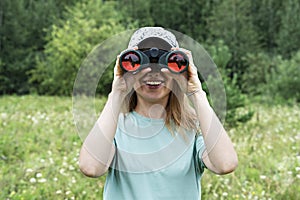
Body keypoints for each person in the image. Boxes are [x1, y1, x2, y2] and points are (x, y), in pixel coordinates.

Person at [78, 27, 238, 200]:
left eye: (165, 63)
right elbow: (91, 167)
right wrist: (117, 93)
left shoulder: (194, 129)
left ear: (179, 69)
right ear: (128, 68)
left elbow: (225, 164)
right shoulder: (115, 126)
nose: (153, 72)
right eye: (141, 62)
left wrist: (196, 92)